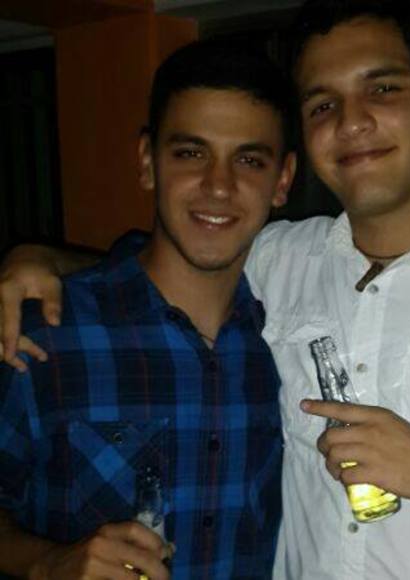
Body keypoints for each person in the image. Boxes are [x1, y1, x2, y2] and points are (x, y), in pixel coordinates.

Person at [1, 1, 410, 578]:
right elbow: (176, 260)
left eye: (382, 89)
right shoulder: (282, 259)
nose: (351, 122)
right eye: (323, 104)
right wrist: (37, 260)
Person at [0, 37, 296, 580]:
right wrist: (47, 562)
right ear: (147, 162)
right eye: (191, 153)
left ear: (282, 181)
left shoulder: (291, 339)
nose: (219, 186)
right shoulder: (45, 330)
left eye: (249, 160)